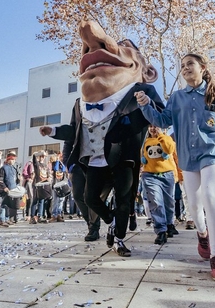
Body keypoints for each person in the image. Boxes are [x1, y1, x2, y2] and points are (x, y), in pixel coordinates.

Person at [41, 20, 164, 257]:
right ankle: (112, 224)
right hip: (94, 160)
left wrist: (145, 107)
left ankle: (118, 239)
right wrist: (53, 132)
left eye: (124, 45)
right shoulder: (80, 104)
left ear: (146, 72)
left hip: (123, 158)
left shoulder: (142, 92)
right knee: (89, 198)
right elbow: (74, 130)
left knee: (124, 201)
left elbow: (159, 116)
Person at [136, 52, 215, 281]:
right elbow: (162, 121)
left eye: (190, 64)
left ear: (203, 67)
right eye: (183, 66)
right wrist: (146, 105)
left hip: (212, 154)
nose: (185, 68)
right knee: (195, 206)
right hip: (187, 158)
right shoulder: (177, 97)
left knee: (209, 196)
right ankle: (202, 233)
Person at [140, 125, 177, 245]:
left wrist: (161, 135)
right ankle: (160, 230)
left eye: (156, 126)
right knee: (155, 201)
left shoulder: (166, 138)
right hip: (150, 175)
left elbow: (170, 149)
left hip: (167, 175)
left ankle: (169, 224)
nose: (153, 128)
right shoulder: (145, 141)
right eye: (150, 126)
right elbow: (140, 155)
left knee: (168, 202)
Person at [0, 151, 21, 224]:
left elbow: (15, 180)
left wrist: (19, 180)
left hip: (13, 190)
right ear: (8, 159)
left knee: (9, 205)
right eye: (12, 159)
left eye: (14, 159)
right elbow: (0, 179)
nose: (14, 161)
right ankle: (2, 219)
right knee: (4, 205)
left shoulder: (14, 169)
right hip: (6, 189)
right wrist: (4, 187)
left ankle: (7, 219)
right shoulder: (3, 168)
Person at [30, 151, 51, 224]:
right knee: (35, 200)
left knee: (41, 201)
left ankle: (40, 216)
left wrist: (49, 178)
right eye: (41, 156)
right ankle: (32, 217)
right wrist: (39, 153)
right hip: (37, 184)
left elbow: (48, 173)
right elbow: (34, 158)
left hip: (43, 185)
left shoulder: (45, 165)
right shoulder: (37, 164)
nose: (42, 157)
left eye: (43, 156)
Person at [49, 153, 68, 222]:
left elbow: (64, 169)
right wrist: (57, 161)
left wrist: (61, 162)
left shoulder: (64, 164)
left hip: (62, 185)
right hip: (55, 184)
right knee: (55, 200)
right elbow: (56, 169)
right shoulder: (54, 164)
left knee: (61, 201)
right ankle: (54, 215)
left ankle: (59, 215)